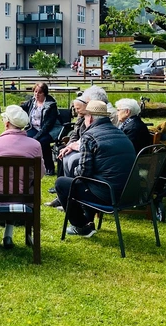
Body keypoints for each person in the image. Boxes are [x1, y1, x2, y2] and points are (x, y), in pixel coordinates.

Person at [54, 100, 135, 237]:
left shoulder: (89, 136)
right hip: (130, 193)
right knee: (88, 182)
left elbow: (83, 173)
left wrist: (73, 170)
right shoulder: (120, 133)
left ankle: (81, 226)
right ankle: (88, 220)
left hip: (108, 194)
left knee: (62, 183)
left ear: (90, 117)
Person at [0, 105, 43, 249]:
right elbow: (41, 173)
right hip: (21, 197)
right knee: (16, 189)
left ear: (7, 123)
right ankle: (8, 235)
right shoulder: (35, 145)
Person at [57, 85, 114, 177]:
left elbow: (95, 139)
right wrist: (70, 145)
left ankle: (69, 183)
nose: (86, 105)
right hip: (89, 147)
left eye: (87, 102)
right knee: (65, 151)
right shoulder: (90, 114)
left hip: (99, 155)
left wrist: (75, 146)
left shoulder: (106, 115)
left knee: (72, 159)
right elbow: (77, 133)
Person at [20, 82, 60, 175]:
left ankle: (49, 167)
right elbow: (22, 108)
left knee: (42, 142)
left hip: (50, 130)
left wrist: (36, 137)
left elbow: (48, 125)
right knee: (23, 139)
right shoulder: (32, 101)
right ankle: (29, 166)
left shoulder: (51, 105)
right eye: (35, 91)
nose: (36, 94)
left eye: (39, 92)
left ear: (44, 93)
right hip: (33, 127)